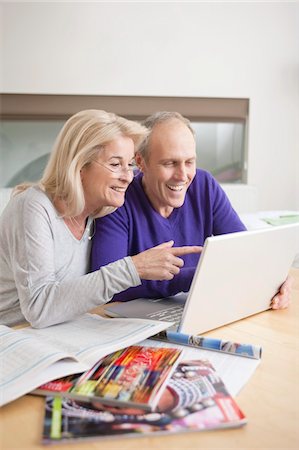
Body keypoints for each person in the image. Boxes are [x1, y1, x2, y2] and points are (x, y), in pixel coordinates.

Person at [0, 110, 201, 328]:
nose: (128, 177)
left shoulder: (97, 213)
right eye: (115, 164)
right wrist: (132, 268)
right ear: (79, 166)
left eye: (129, 165)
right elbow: (39, 308)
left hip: (64, 331)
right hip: (14, 336)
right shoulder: (33, 207)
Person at [91, 111, 291, 309]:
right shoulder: (118, 198)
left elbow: (244, 251)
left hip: (194, 306)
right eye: (169, 163)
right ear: (141, 162)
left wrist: (276, 278)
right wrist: (197, 276)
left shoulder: (204, 186)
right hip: (135, 320)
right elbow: (108, 286)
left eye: (189, 162)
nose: (183, 175)